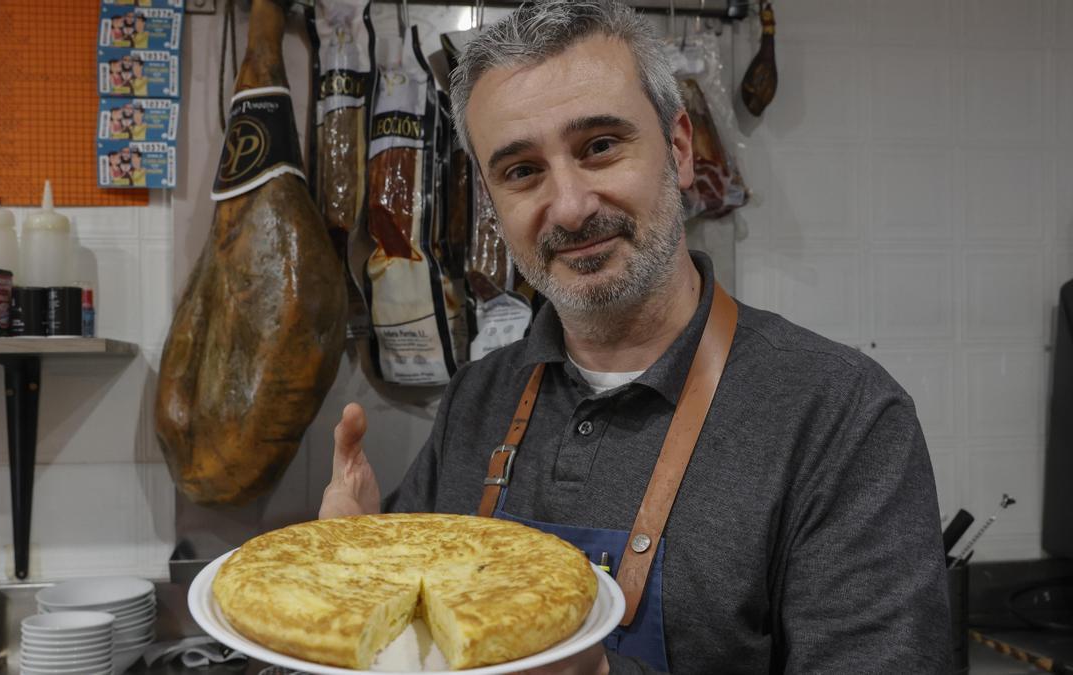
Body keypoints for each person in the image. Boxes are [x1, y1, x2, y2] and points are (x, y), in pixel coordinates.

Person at [319, 0, 950, 673]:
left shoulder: (841, 417)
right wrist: (361, 572)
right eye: (522, 170)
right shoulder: (479, 396)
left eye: (599, 146)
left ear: (679, 149)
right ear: (492, 202)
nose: (570, 206)